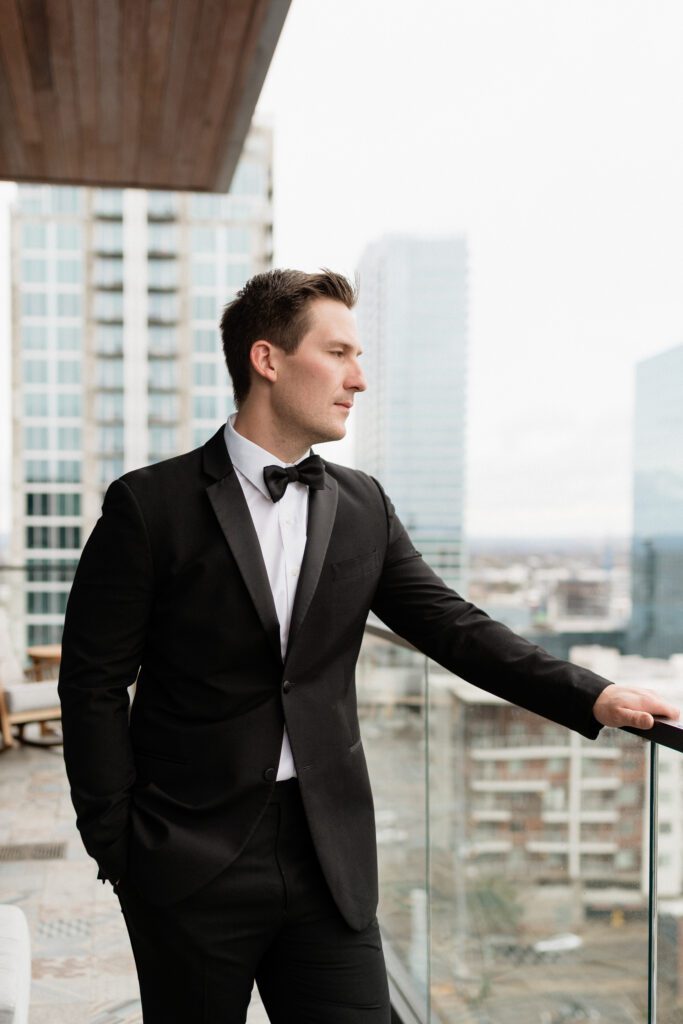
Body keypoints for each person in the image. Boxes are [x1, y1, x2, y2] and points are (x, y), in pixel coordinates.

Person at [58, 268, 679, 1024]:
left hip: (329, 856)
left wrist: (592, 693)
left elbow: (453, 626)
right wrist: (116, 842)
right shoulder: (148, 504)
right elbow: (91, 683)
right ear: (267, 359)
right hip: (186, 854)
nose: (358, 379)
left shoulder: (363, 504)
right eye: (339, 353)